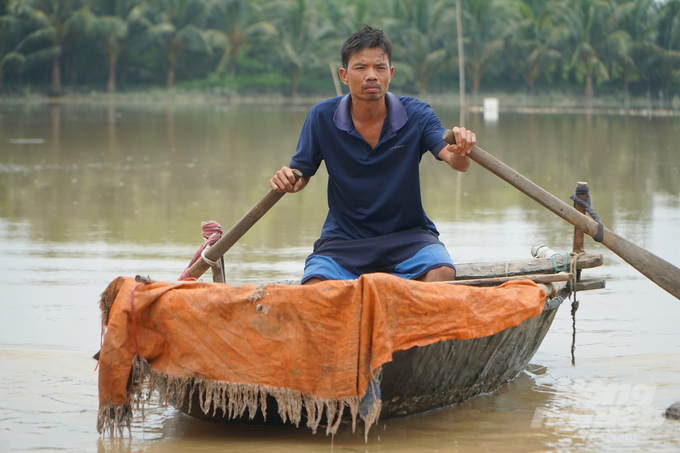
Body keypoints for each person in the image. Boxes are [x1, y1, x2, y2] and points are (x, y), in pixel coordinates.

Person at [270, 25, 476, 285]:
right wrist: (289, 180)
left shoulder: (417, 114)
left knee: (442, 274)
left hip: (408, 235)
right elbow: (301, 173)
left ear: (390, 73)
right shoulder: (322, 117)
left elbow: (457, 161)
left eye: (379, 68)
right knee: (314, 288)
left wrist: (462, 148)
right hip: (343, 239)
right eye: (361, 68)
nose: (371, 76)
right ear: (344, 75)